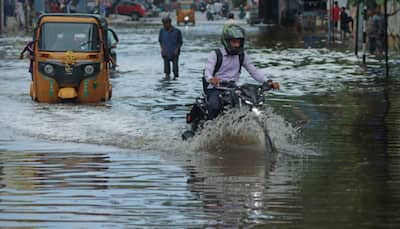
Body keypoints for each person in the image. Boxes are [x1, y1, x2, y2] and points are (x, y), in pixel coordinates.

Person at [203, 24, 280, 120]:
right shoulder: (215, 54)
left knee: (251, 105)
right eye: (234, 42)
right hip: (216, 88)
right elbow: (208, 71)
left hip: (233, 89)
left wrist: (268, 81)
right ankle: (208, 129)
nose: (237, 45)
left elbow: (254, 71)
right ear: (226, 41)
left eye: (239, 42)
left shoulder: (242, 56)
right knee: (215, 107)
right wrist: (211, 79)